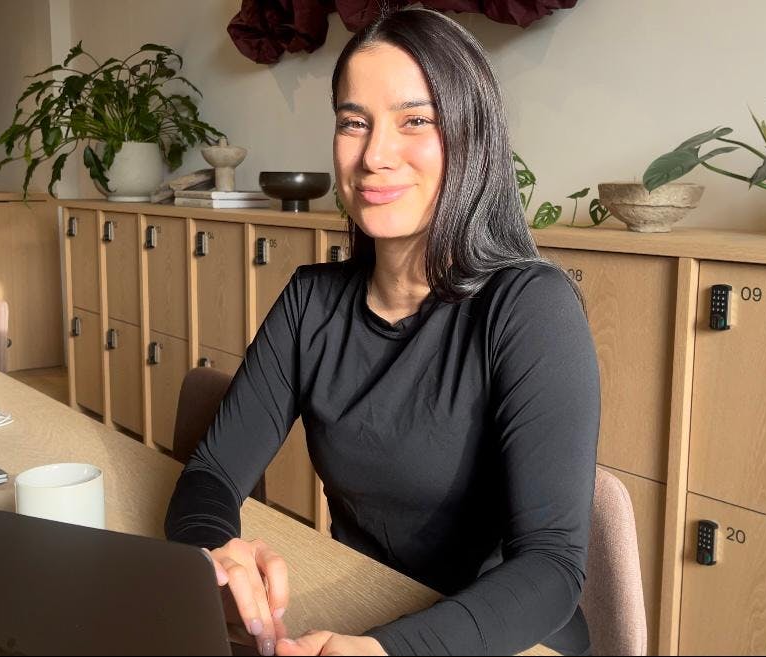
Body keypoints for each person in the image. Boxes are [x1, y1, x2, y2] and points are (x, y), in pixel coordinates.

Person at [166, 7, 600, 656]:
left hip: (503, 641)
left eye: (415, 120)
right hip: (363, 608)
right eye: (353, 122)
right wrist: (215, 555)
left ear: (471, 137)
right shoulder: (311, 303)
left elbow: (551, 568)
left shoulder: (530, 307)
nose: (374, 155)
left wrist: (390, 652)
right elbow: (211, 471)